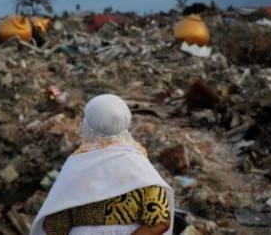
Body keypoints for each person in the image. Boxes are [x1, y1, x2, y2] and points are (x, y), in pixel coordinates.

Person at [30, 94, 174, 235]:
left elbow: (56, 226)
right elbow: (159, 222)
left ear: (87, 125)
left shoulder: (77, 165)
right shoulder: (140, 166)